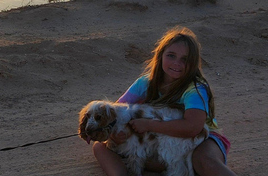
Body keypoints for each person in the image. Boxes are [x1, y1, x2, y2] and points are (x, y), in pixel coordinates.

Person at [92, 26, 236, 176]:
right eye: (171, 55)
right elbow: (115, 112)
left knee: (204, 160)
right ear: (160, 55)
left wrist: (149, 124)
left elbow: (193, 128)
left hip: (200, 140)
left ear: (193, 63)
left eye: (185, 60)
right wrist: (114, 134)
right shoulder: (146, 83)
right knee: (100, 146)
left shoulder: (195, 89)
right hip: (160, 142)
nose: (176, 63)